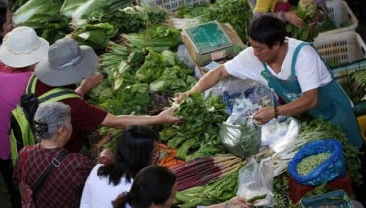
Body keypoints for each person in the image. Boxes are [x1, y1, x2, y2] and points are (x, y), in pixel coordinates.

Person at [176, 15, 366, 204]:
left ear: (276, 45)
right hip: (304, 113)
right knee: (329, 160)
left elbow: (310, 99)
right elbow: (219, 72)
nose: (254, 52)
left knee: (354, 152)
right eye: (251, 45)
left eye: (259, 48)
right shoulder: (254, 56)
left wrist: (274, 112)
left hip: (333, 109)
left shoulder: (302, 55)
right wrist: (190, 93)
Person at [32, 38, 180, 153]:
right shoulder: (74, 106)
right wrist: (159, 118)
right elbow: (117, 122)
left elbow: (59, 99)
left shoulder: (37, 79)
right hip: (63, 151)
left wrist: (82, 89)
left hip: (40, 140)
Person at [0, 26, 49, 208]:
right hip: (22, 146)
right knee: (27, 183)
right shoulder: (35, 82)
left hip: (1, 144)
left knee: (9, 179)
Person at [13, 102, 94, 208]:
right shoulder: (77, 164)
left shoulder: (24, 154)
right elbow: (96, 189)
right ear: (61, 130)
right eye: (70, 122)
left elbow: (17, 182)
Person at [80, 125, 160, 208]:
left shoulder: (98, 171)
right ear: (141, 157)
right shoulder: (142, 190)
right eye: (154, 154)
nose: (157, 156)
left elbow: (84, 204)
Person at [112, 165, 252, 208]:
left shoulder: (140, 199)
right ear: (156, 206)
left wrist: (227, 205)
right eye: (173, 196)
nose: (175, 198)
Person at [253, 0, 328, 28]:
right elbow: (257, 17)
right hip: (279, 43)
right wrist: (285, 16)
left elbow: (323, 11)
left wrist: (318, 15)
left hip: (305, 40)